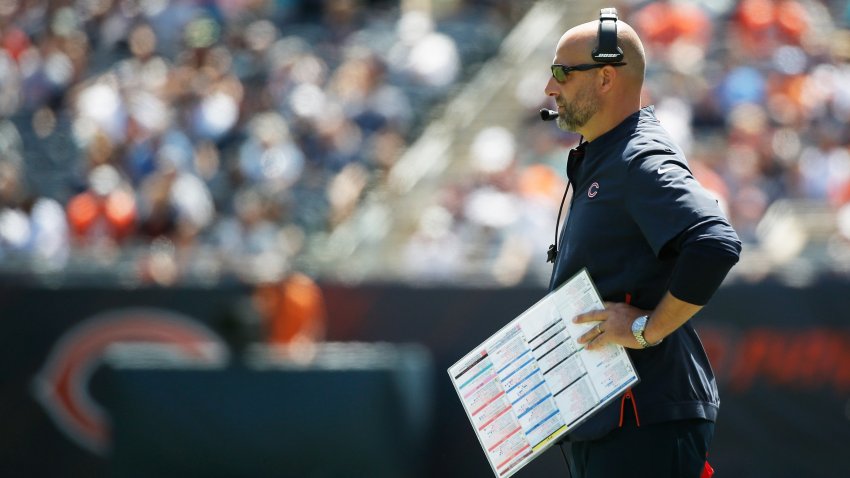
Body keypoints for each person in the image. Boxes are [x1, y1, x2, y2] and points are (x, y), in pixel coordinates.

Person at [543, 9, 741, 478]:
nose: (550, 89)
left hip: (641, 415)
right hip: (612, 416)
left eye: (561, 73)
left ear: (606, 78)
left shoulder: (637, 157)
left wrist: (645, 330)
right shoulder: (607, 154)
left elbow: (714, 242)